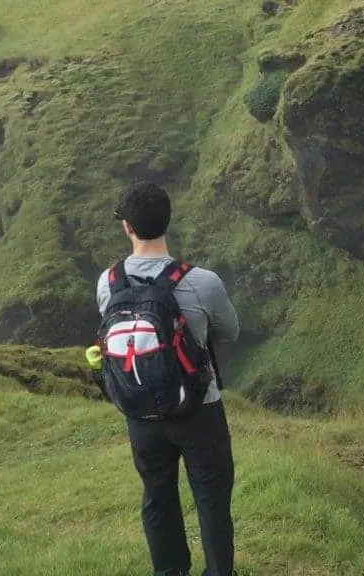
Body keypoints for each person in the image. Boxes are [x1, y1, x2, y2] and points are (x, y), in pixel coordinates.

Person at [95, 180, 241, 576]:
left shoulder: (108, 284)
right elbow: (230, 332)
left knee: (157, 496)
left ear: (127, 226)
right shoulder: (202, 281)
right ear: (168, 222)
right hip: (199, 409)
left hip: (140, 411)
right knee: (211, 499)